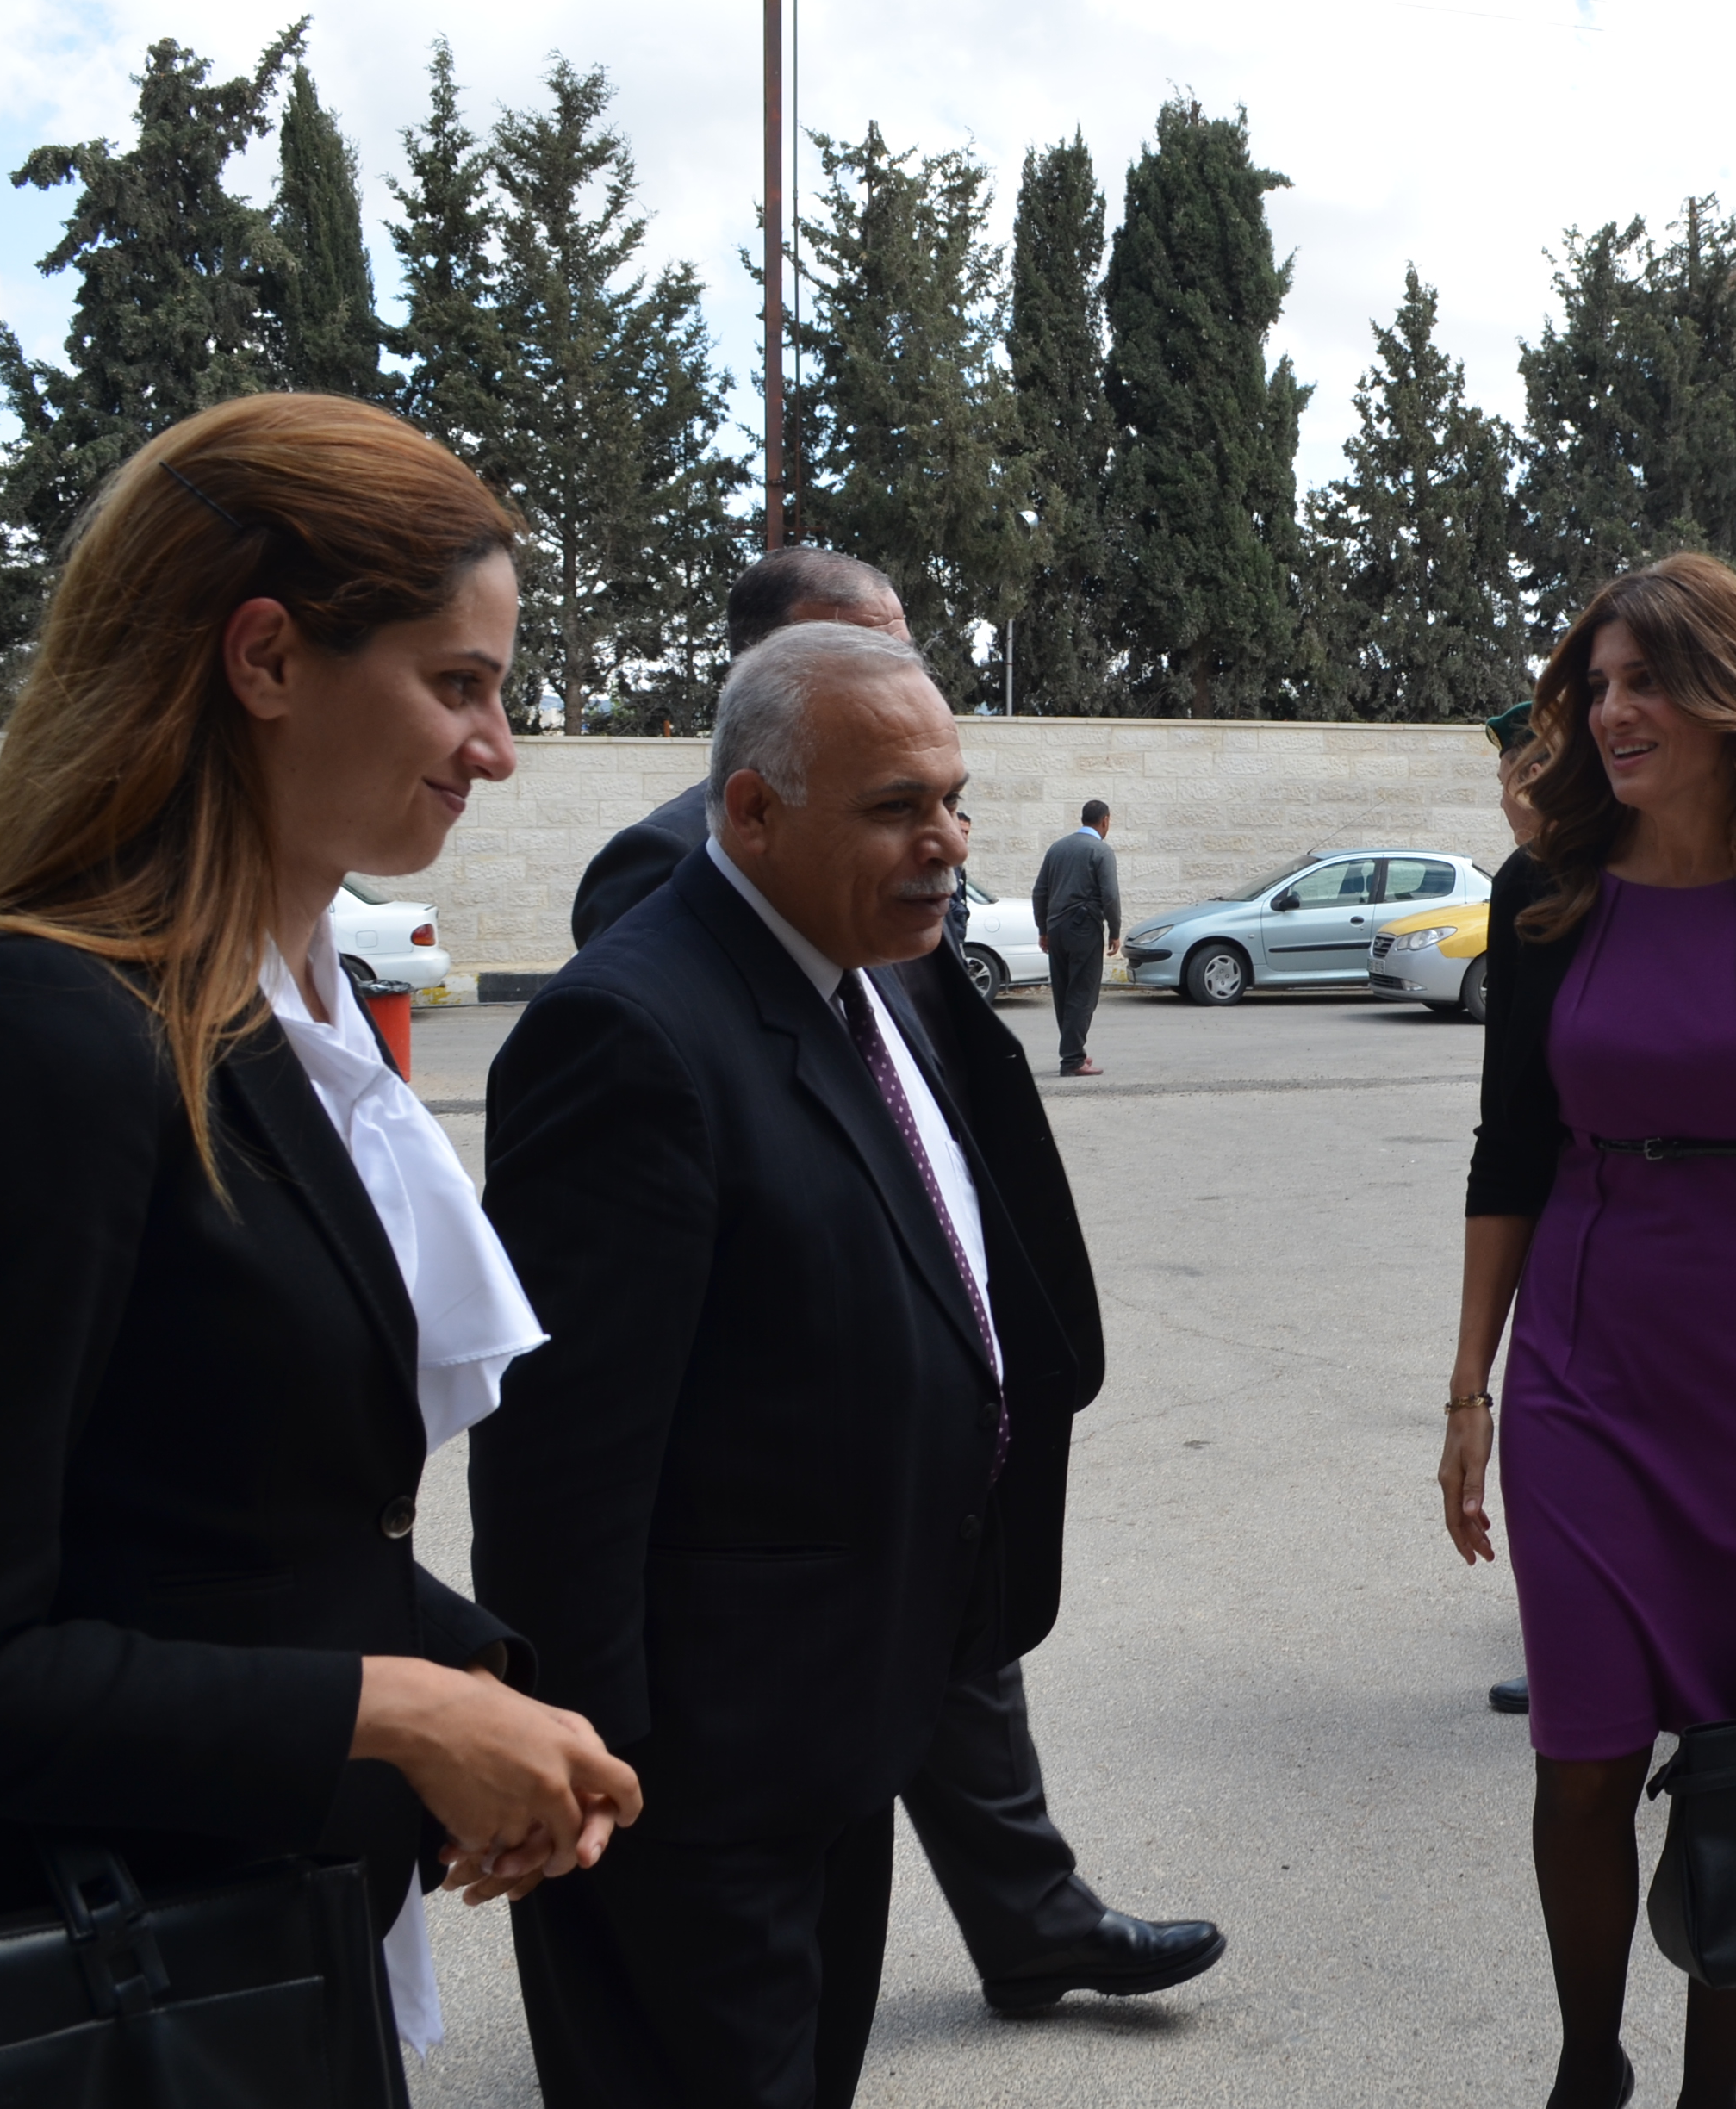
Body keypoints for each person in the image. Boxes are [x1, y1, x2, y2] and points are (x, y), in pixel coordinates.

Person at [0, 393, 642, 2074]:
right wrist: (393, 1709)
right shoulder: (40, 1035)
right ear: (264, 658)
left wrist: (475, 1679)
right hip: (106, 2006)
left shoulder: (279, 1016)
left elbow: (225, 1527)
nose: (495, 750)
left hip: (271, 1947)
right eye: (457, 683)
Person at [474, 622, 1203, 2106]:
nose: (947, 844)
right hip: (693, 1781)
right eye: (894, 807)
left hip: (842, 1725)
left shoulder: (865, 976)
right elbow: (560, 1474)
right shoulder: (628, 1031)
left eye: (955, 800)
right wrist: (586, 1767)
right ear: (753, 810)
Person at [1436, 553, 1736, 2109]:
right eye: (1596, 686)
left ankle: (1713, 2093)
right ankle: (1590, 2069)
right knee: (1582, 1755)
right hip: (1585, 1369)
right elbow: (1510, 1150)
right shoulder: (1544, 890)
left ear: (1730, 692)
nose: (1610, 712)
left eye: (1644, 681)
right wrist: (1468, 1389)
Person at [566, 547, 912, 951]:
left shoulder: (916, 830)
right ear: (756, 676)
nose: (908, 688)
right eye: (864, 664)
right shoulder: (669, 859)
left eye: (906, 660)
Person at [1477, 698, 1551, 1722]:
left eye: (1527, 774)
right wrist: (1469, 1385)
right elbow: (1509, 1114)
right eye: (1505, 780)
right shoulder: (1521, 886)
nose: (1510, 797)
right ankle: (1565, 1643)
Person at [1033, 799, 1122, 1077]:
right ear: (1105, 820)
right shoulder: (1101, 850)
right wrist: (1115, 931)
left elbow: (1040, 891)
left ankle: (1073, 1051)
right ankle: (1072, 1060)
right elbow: (1110, 896)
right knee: (1083, 992)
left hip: (1057, 928)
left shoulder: (1057, 848)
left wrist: (1043, 929)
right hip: (1084, 928)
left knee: (1063, 992)